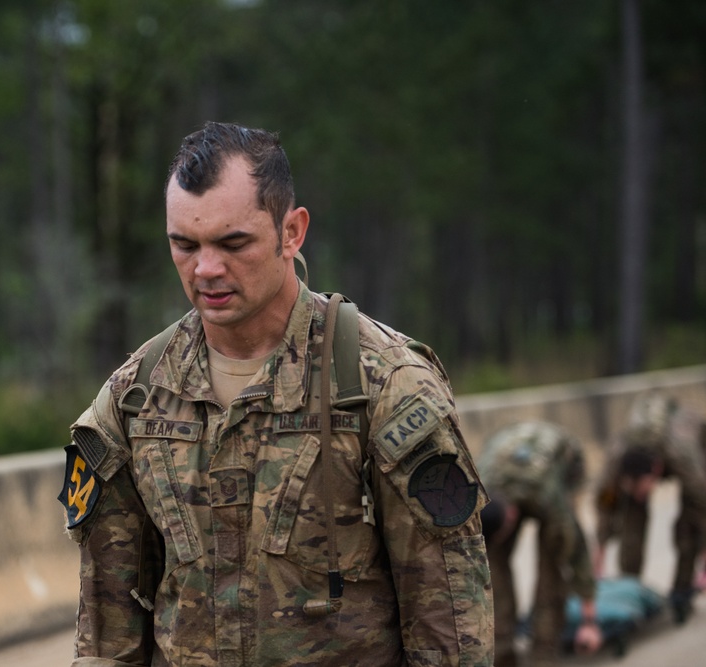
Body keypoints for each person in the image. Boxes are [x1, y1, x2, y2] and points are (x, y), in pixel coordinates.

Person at [58, 121, 494, 666]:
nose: (206, 269)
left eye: (233, 242)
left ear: (292, 232)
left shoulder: (383, 386)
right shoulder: (135, 398)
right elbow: (105, 635)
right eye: (184, 245)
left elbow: (450, 629)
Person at [476, 421, 602, 667]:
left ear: (513, 516)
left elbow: (578, 553)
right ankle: (501, 651)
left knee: (552, 565)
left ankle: (544, 652)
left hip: (562, 463)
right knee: (493, 566)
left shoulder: (550, 498)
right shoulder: (478, 492)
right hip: (503, 459)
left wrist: (589, 622)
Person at [593, 392, 706, 623]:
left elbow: (702, 504)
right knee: (631, 526)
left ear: (656, 471)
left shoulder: (681, 453)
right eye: (632, 488)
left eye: (643, 488)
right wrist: (600, 551)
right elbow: (605, 505)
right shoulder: (616, 461)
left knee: (688, 529)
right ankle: (630, 591)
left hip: (694, 456)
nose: (639, 494)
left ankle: (681, 591)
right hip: (637, 454)